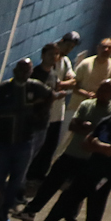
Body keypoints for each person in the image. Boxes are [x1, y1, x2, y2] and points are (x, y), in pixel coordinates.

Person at [26, 87, 111, 221]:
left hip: (105, 175)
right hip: (90, 169)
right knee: (68, 197)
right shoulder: (107, 121)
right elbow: (86, 143)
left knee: (94, 207)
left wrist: (96, 144)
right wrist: (100, 146)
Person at [20, 79, 111, 221]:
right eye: (100, 89)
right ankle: (31, 210)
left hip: (89, 160)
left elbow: (105, 135)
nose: (101, 93)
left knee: (74, 194)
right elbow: (73, 125)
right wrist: (88, 129)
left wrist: (88, 129)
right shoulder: (87, 105)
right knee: (51, 182)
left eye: (106, 90)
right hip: (72, 152)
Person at [0, 58, 54, 210]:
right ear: (15, 71)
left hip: (25, 143)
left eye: (27, 70)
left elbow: (51, 95)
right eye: (21, 70)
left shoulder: (35, 87)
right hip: (2, 143)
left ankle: (5, 210)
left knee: (17, 180)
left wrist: (42, 112)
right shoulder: (3, 89)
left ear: (31, 72)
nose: (24, 74)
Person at [28, 38, 78, 183]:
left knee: (46, 148)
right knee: (29, 154)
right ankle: (26, 179)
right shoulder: (36, 74)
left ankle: (37, 176)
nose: (54, 57)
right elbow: (30, 100)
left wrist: (54, 96)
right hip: (33, 122)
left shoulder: (54, 74)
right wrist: (52, 97)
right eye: (50, 54)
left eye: (56, 54)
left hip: (45, 120)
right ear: (43, 55)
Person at [72, 37, 111, 104]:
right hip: (78, 104)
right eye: (104, 47)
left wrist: (97, 96)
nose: (106, 50)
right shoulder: (86, 63)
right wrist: (86, 94)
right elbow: (73, 84)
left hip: (97, 105)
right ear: (98, 48)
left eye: (109, 48)